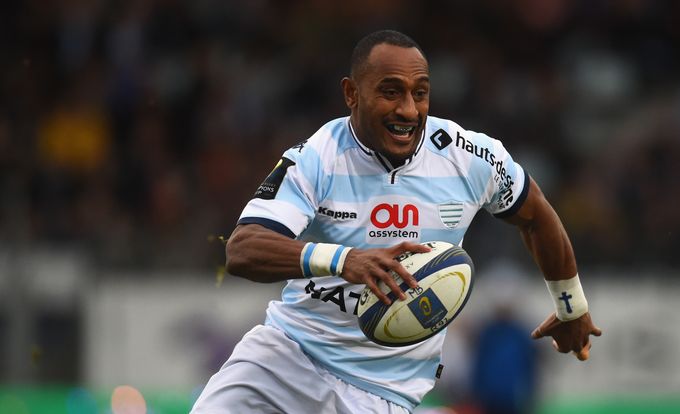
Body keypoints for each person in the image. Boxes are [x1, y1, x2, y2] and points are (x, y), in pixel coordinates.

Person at [191, 29, 602, 414]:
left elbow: (537, 215)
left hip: (384, 393)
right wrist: (344, 260)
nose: (408, 110)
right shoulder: (317, 157)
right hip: (287, 358)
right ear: (351, 93)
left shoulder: (470, 157)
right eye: (390, 92)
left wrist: (571, 305)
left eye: (419, 93)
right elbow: (243, 249)